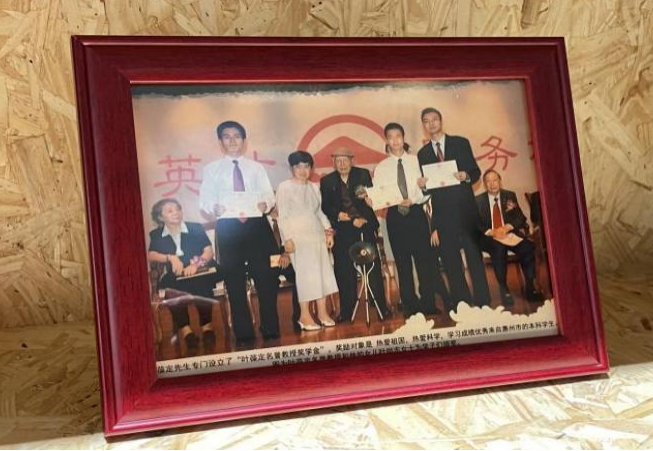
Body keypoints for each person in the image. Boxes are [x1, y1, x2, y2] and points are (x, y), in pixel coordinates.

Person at [199, 120, 280, 343]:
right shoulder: (211, 170)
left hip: (256, 225)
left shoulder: (256, 168)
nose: (232, 140)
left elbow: (268, 194)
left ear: (244, 141)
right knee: (234, 281)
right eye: (227, 136)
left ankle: (270, 328)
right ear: (220, 142)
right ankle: (244, 333)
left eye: (237, 136)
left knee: (266, 278)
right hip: (228, 228)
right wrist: (213, 208)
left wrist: (266, 203)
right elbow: (205, 200)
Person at [369, 123, 451, 317]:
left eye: (398, 136)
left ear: (403, 137)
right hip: (395, 216)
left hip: (416, 212)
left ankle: (428, 303)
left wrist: (413, 199)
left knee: (424, 261)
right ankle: (410, 304)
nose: (395, 140)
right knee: (402, 262)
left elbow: (427, 189)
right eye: (391, 137)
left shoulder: (417, 161)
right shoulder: (381, 167)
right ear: (386, 140)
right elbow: (379, 194)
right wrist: (372, 199)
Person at [417, 108, 491, 308]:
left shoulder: (460, 142)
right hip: (443, 215)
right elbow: (429, 191)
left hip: (466, 211)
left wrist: (465, 176)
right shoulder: (423, 154)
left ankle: (483, 302)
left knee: (474, 259)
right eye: (426, 121)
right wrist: (423, 185)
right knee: (451, 262)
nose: (431, 124)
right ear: (423, 126)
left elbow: (475, 172)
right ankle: (462, 303)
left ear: (441, 121)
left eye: (434, 119)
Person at [320, 147, 391, 323]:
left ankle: (381, 306)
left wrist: (362, 217)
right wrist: (338, 215)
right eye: (338, 161)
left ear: (352, 161)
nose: (342, 164)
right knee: (343, 270)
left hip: (364, 226)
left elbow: (369, 199)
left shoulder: (362, 175)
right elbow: (326, 206)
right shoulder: (327, 181)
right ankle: (346, 310)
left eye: (345, 160)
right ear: (333, 163)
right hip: (342, 230)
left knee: (372, 267)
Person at [147, 198, 223, 350]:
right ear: (160, 217)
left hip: (202, 268)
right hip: (177, 274)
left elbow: (209, 252)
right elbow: (151, 255)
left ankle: (207, 328)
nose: (176, 213)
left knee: (201, 283)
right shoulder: (156, 234)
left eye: (177, 209)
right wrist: (170, 257)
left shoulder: (195, 227)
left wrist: (196, 264)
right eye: (170, 211)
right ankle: (187, 332)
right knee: (172, 290)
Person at [276, 150, 338, 331]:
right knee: (305, 277)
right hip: (298, 238)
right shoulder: (284, 187)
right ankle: (304, 316)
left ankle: (322, 313)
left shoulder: (314, 187)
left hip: (317, 235)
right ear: (292, 168)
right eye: (298, 167)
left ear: (311, 168)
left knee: (322, 274)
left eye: (306, 166)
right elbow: (282, 216)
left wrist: (328, 232)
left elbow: (319, 213)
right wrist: (287, 239)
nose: (303, 170)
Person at [476, 170, 544, 305]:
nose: (492, 184)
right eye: (488, 181)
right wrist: (491, 232)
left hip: (509, 234)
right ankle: (504, 290)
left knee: (527, 247)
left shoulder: (509, 195)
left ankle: (530, 287)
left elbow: (520, 217)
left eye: (495, 180)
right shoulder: (478, 200)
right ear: (484, 184)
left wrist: (507, 227)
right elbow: (476, 223)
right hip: (491, 237)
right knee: (498, 248)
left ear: (500, 181)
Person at [263, 206, 301, 332]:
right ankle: (270, 325)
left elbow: (296, 239)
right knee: (267, 282)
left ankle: (299, 317)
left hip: (287, 259)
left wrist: (287, 254)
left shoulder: (288, 219)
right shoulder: (260, 222)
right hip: (268, 263)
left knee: (299, 277)